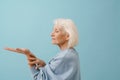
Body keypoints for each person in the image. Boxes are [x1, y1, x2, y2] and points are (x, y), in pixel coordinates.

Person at [4, 19, 81, 80]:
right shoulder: (71, 53)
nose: (52, 34)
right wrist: (45, 65)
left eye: (56, 31)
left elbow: (39, 78)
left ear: (67, 36)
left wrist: (28, 56)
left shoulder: (64, 56)